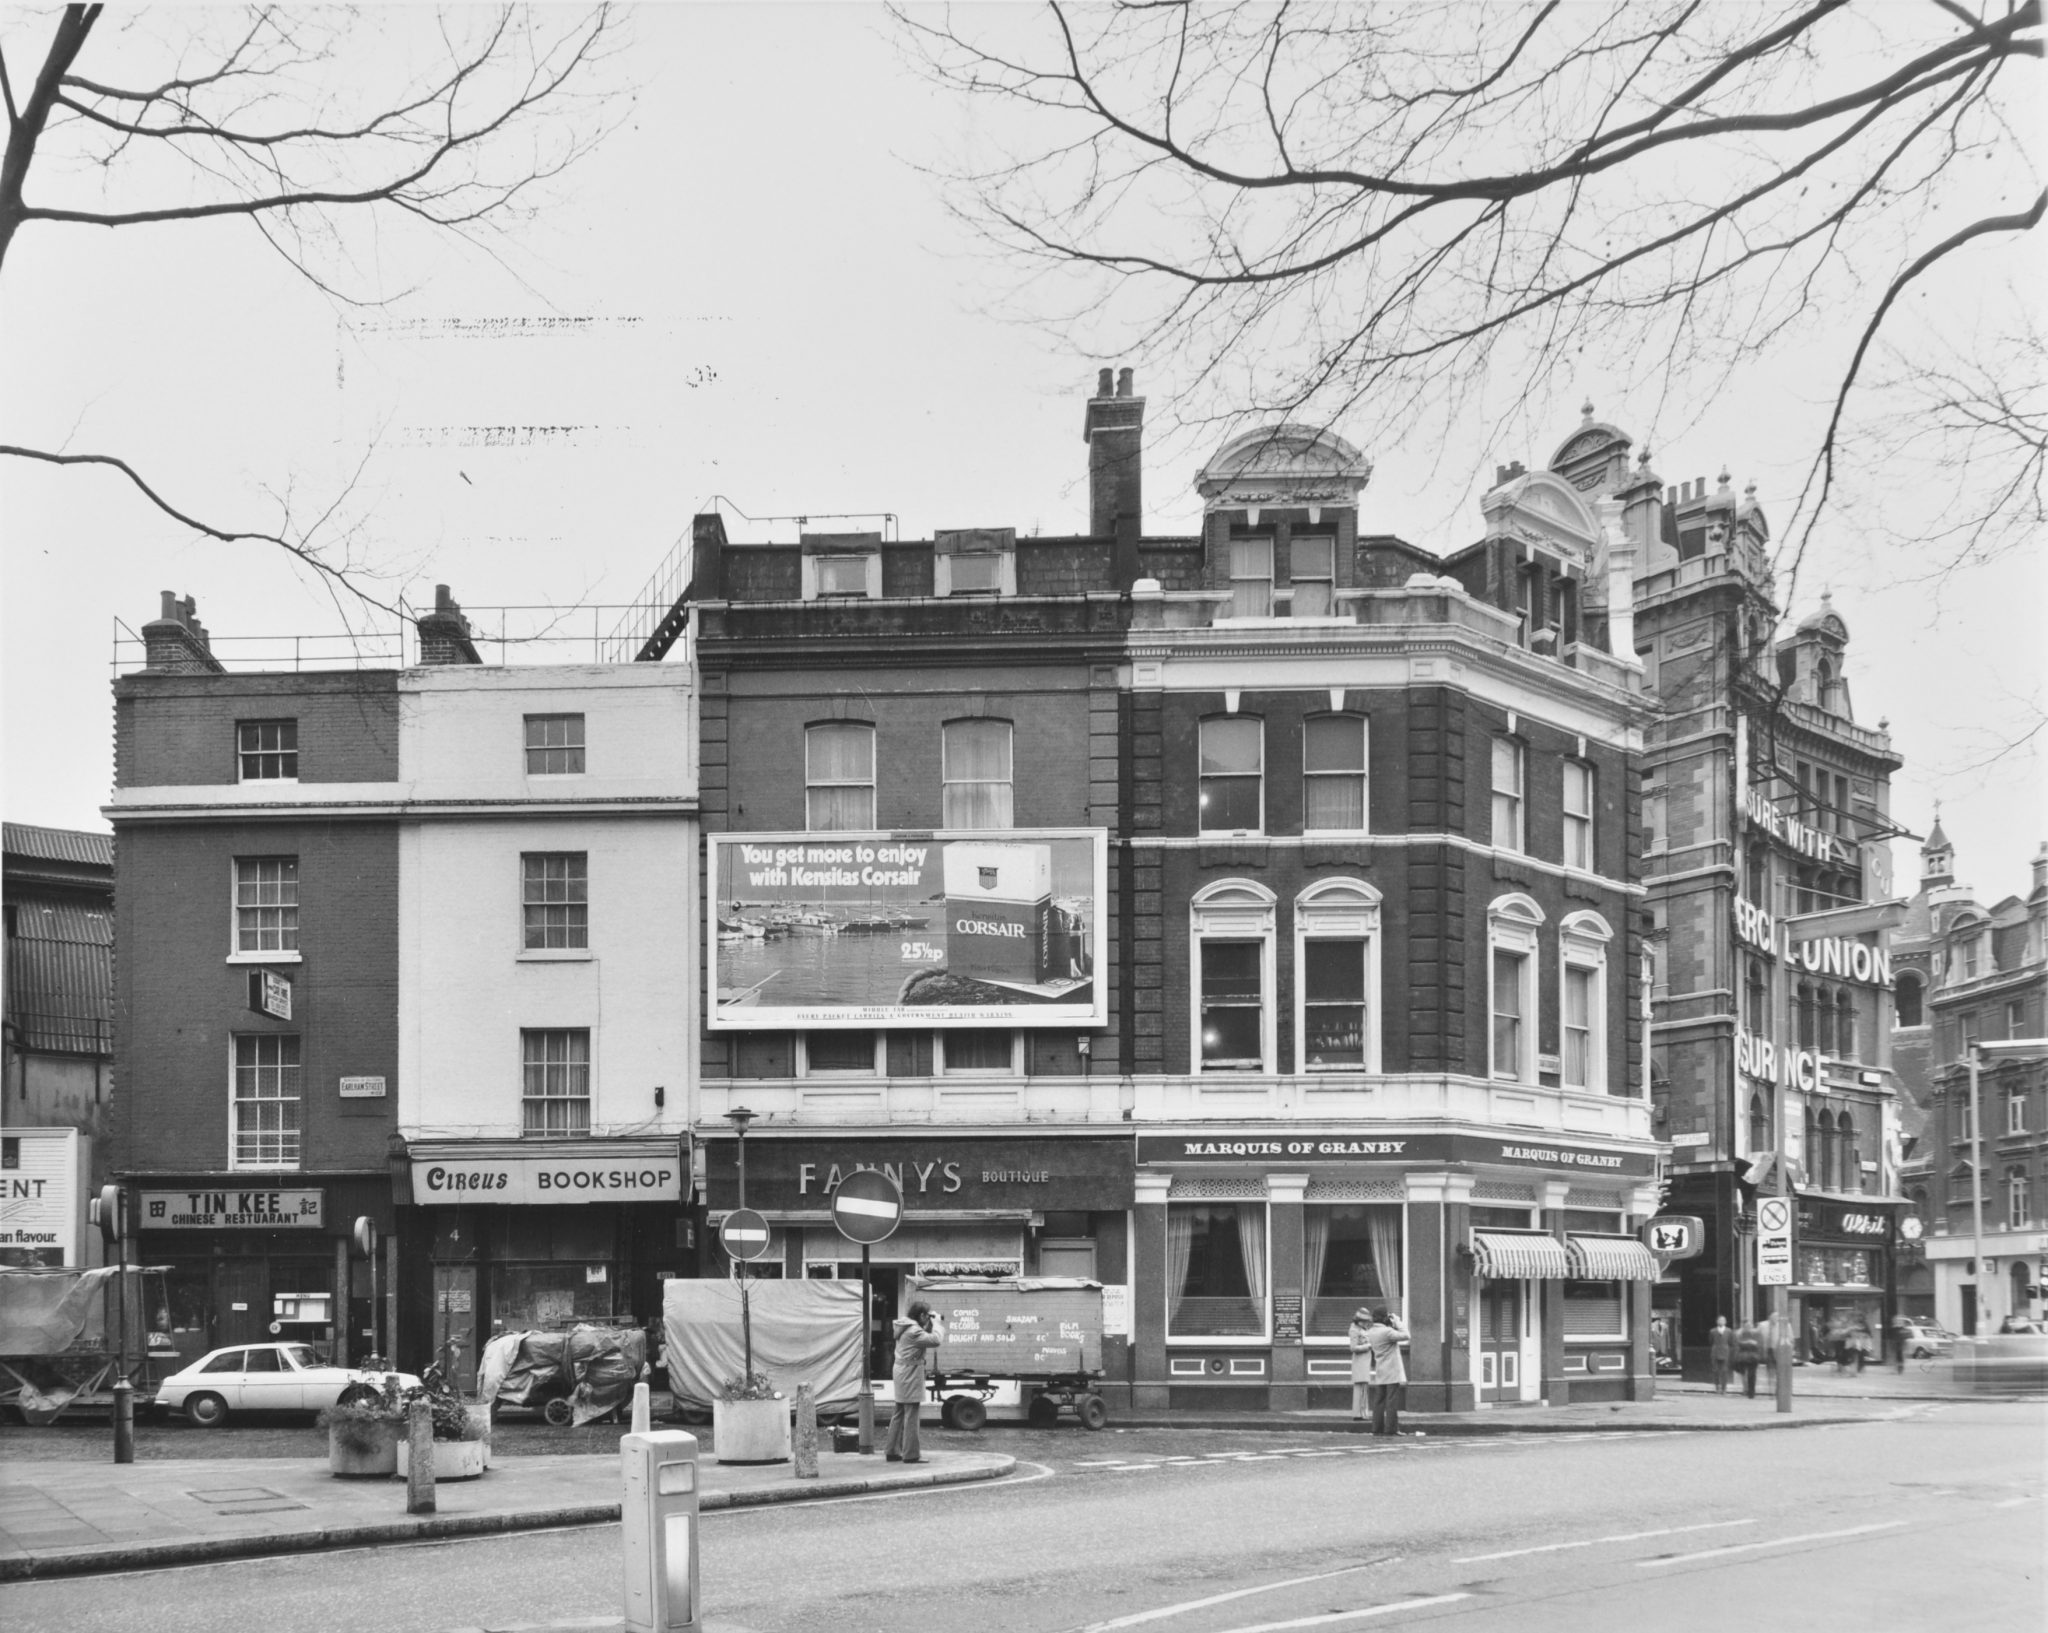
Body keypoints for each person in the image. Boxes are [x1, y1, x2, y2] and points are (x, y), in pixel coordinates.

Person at [885, 1301, 944, 1464]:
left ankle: (892, 1451)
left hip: (901, 1372)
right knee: (911, 1413)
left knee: (899, 1412)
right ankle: (911, 1455)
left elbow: (924, 1337)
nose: (928, 1318)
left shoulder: (906, 1327)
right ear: (922, 1315)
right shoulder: (914, 1331)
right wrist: (937, 1323)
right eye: (927, 1315)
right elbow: (935, 1340)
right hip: (910, 1373)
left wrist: (930, 1324)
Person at [1360, 1307, 1409, 1437]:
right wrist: (1398, 1321)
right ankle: (1391, 1429)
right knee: (1391, 1401)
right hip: (1392, 1371)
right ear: (1384, 1318)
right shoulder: (1387, 1332)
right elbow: (1406, 1335)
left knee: (1379, 1401)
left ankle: (1377, 1428)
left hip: (1380, 1370)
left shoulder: (1370, 1332)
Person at [1347, 1307, 1374, 1421]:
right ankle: (1360, 1414)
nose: (1366, 1323)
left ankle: (1361, 1413)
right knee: (1361, 1388)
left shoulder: (1360, 1328)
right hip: (1360, 1362)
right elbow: (1353, 1347)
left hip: (1364, 1361)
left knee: (1363, 1388)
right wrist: (1368, 1346)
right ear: (1358, 1320)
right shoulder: (1354, 1330)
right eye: (1364, 1321)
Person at [1734, 1317, 1763, 1398]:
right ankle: (1746, 1389)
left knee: (1752, 1374)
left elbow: (1759, 1344)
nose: (1748, 1326)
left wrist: (1748, 1343)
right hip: (1743, 1357)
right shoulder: (1739, 1333)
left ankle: (1751, 1391)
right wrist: (1749, 1343)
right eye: (1746, 1325)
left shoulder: (1756, 1333)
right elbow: (1738, 1343)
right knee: (1744, 1374)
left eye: (1750, 1325)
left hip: (1753, 1357)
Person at [1708, 1316, 1734, 1393]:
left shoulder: (1729, 1331)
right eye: (1719, 1320)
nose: (1721, 1322)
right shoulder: (1712, 1331)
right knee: (1715, 1370)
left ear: (1725, 1322)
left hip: (1725, 1352)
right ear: (1717, 1322)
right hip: (1715, 1352)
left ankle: (1724, 1388)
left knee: (1724, 1370)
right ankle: (1717, 1386)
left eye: (1723, 1320)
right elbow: (1710, 1341)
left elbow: (1731, 1341)